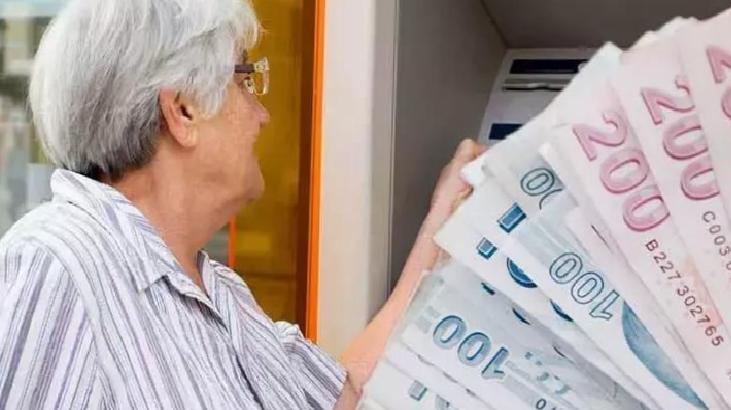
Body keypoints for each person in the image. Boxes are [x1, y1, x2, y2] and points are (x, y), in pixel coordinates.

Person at [0, 0, 484, 409]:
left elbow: (347, 396)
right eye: (245, 81)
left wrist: (444, 222)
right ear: (183, 110)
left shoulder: (219, 293)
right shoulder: (59, 260)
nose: (262, 115)